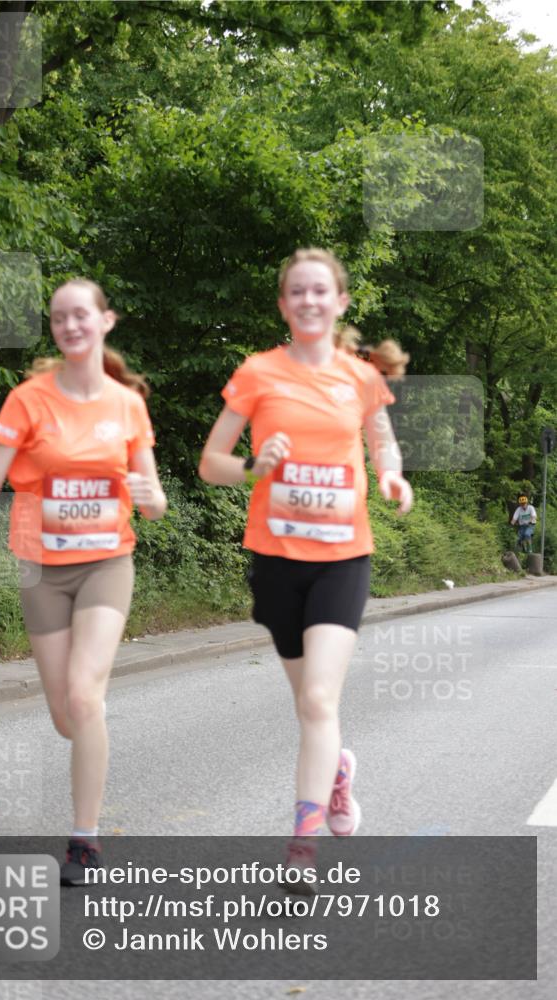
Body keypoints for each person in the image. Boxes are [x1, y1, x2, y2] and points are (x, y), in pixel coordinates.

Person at [0, 278, 167, 885]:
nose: (70, 325)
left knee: (83, 698)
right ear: (54, 329)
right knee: (67, 716)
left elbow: (154, 503)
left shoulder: (127, 406)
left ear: (105, 321)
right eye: (59, 317)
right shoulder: (28, 400)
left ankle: (84, 840)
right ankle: (87, 717)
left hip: (106, 565)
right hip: (41, 569)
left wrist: (148, 495)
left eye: (81, 314)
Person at [199, 248, 412, 881]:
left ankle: (302, 848)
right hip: (275, 560)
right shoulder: (257, 373)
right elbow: (211, 463)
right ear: (283, 305)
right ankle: (337, 768)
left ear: (340, 301)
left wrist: (392, 477)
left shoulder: (360, 378)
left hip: (342, 558)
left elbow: (382, 442)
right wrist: (252, 467)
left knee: (320, 698)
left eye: (321, 290)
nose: (310, 300)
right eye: (298, 291)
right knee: (310, 705)